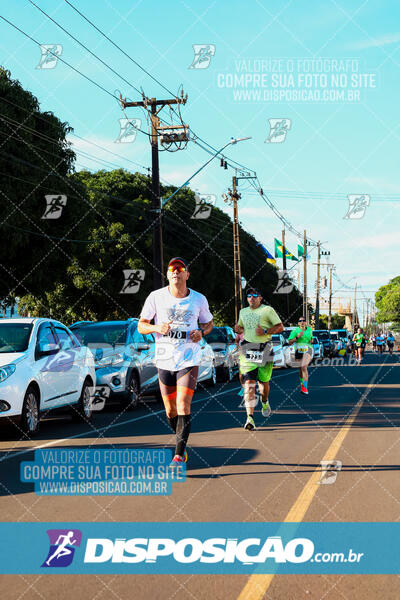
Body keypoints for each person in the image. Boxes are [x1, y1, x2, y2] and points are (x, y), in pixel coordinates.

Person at [138, 257, 213, 464]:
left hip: (189, 359)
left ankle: (179, 455)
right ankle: (182, 441)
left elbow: (209, 324)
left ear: (187, 274)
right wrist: (156, 328)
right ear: (168, 274)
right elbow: (141, 325)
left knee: (183, 405)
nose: (175, 272)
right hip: (164, 360)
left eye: (180, 269)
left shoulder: (198, 299)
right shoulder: (156, 297)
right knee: (170, 410)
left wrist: (201, 332)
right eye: (171, 269)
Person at [234, 287, 283, 430]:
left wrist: (266, 331)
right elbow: (242, 328)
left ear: (260, 297)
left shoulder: (267, 310)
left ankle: (265, 401)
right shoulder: (243, 312)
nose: (251, 298)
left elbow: (280, 327)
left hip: (265, 348)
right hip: (248, 348)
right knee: (249, 383)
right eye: (249, 296)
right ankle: (250, 419)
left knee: (264, 384)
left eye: (255, 295)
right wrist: (238, 329)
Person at [287, 317, 313, 394]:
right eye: (300, 321)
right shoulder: (295, 331)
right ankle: (302, 385)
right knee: (300, 370)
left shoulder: (309, 330)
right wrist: (297, 337)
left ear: (306, 322)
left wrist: (311, 340)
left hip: (308, 349)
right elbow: (289, 342)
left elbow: (311, 339)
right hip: (298, 350)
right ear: (298, 323)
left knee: (304, 366)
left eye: (303, 321)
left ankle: (305, 387)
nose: (302, 322)